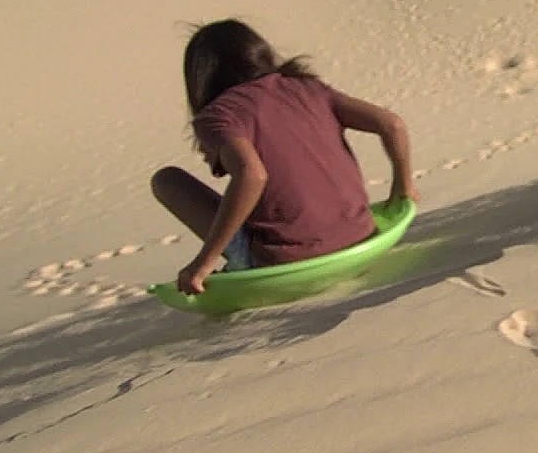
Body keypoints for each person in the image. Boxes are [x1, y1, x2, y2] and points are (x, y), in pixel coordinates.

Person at [151, 18, 418, 295]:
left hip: (286, 261)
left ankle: (242, 262)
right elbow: (392, 124)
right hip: (362, 237)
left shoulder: (220, 115)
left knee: (166, 180)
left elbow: (252, 175)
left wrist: (203, 263)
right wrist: (403, 185)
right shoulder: (309, 89)